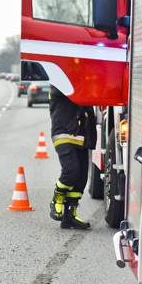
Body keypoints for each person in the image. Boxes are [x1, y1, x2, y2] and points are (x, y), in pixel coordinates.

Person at [48, 85, 97, 229]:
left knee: (81, 178)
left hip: (82, 136)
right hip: (64, 133)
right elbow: (74, 92)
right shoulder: (59, 84)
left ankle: (70, 215)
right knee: (71, 170)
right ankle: (57, 198)